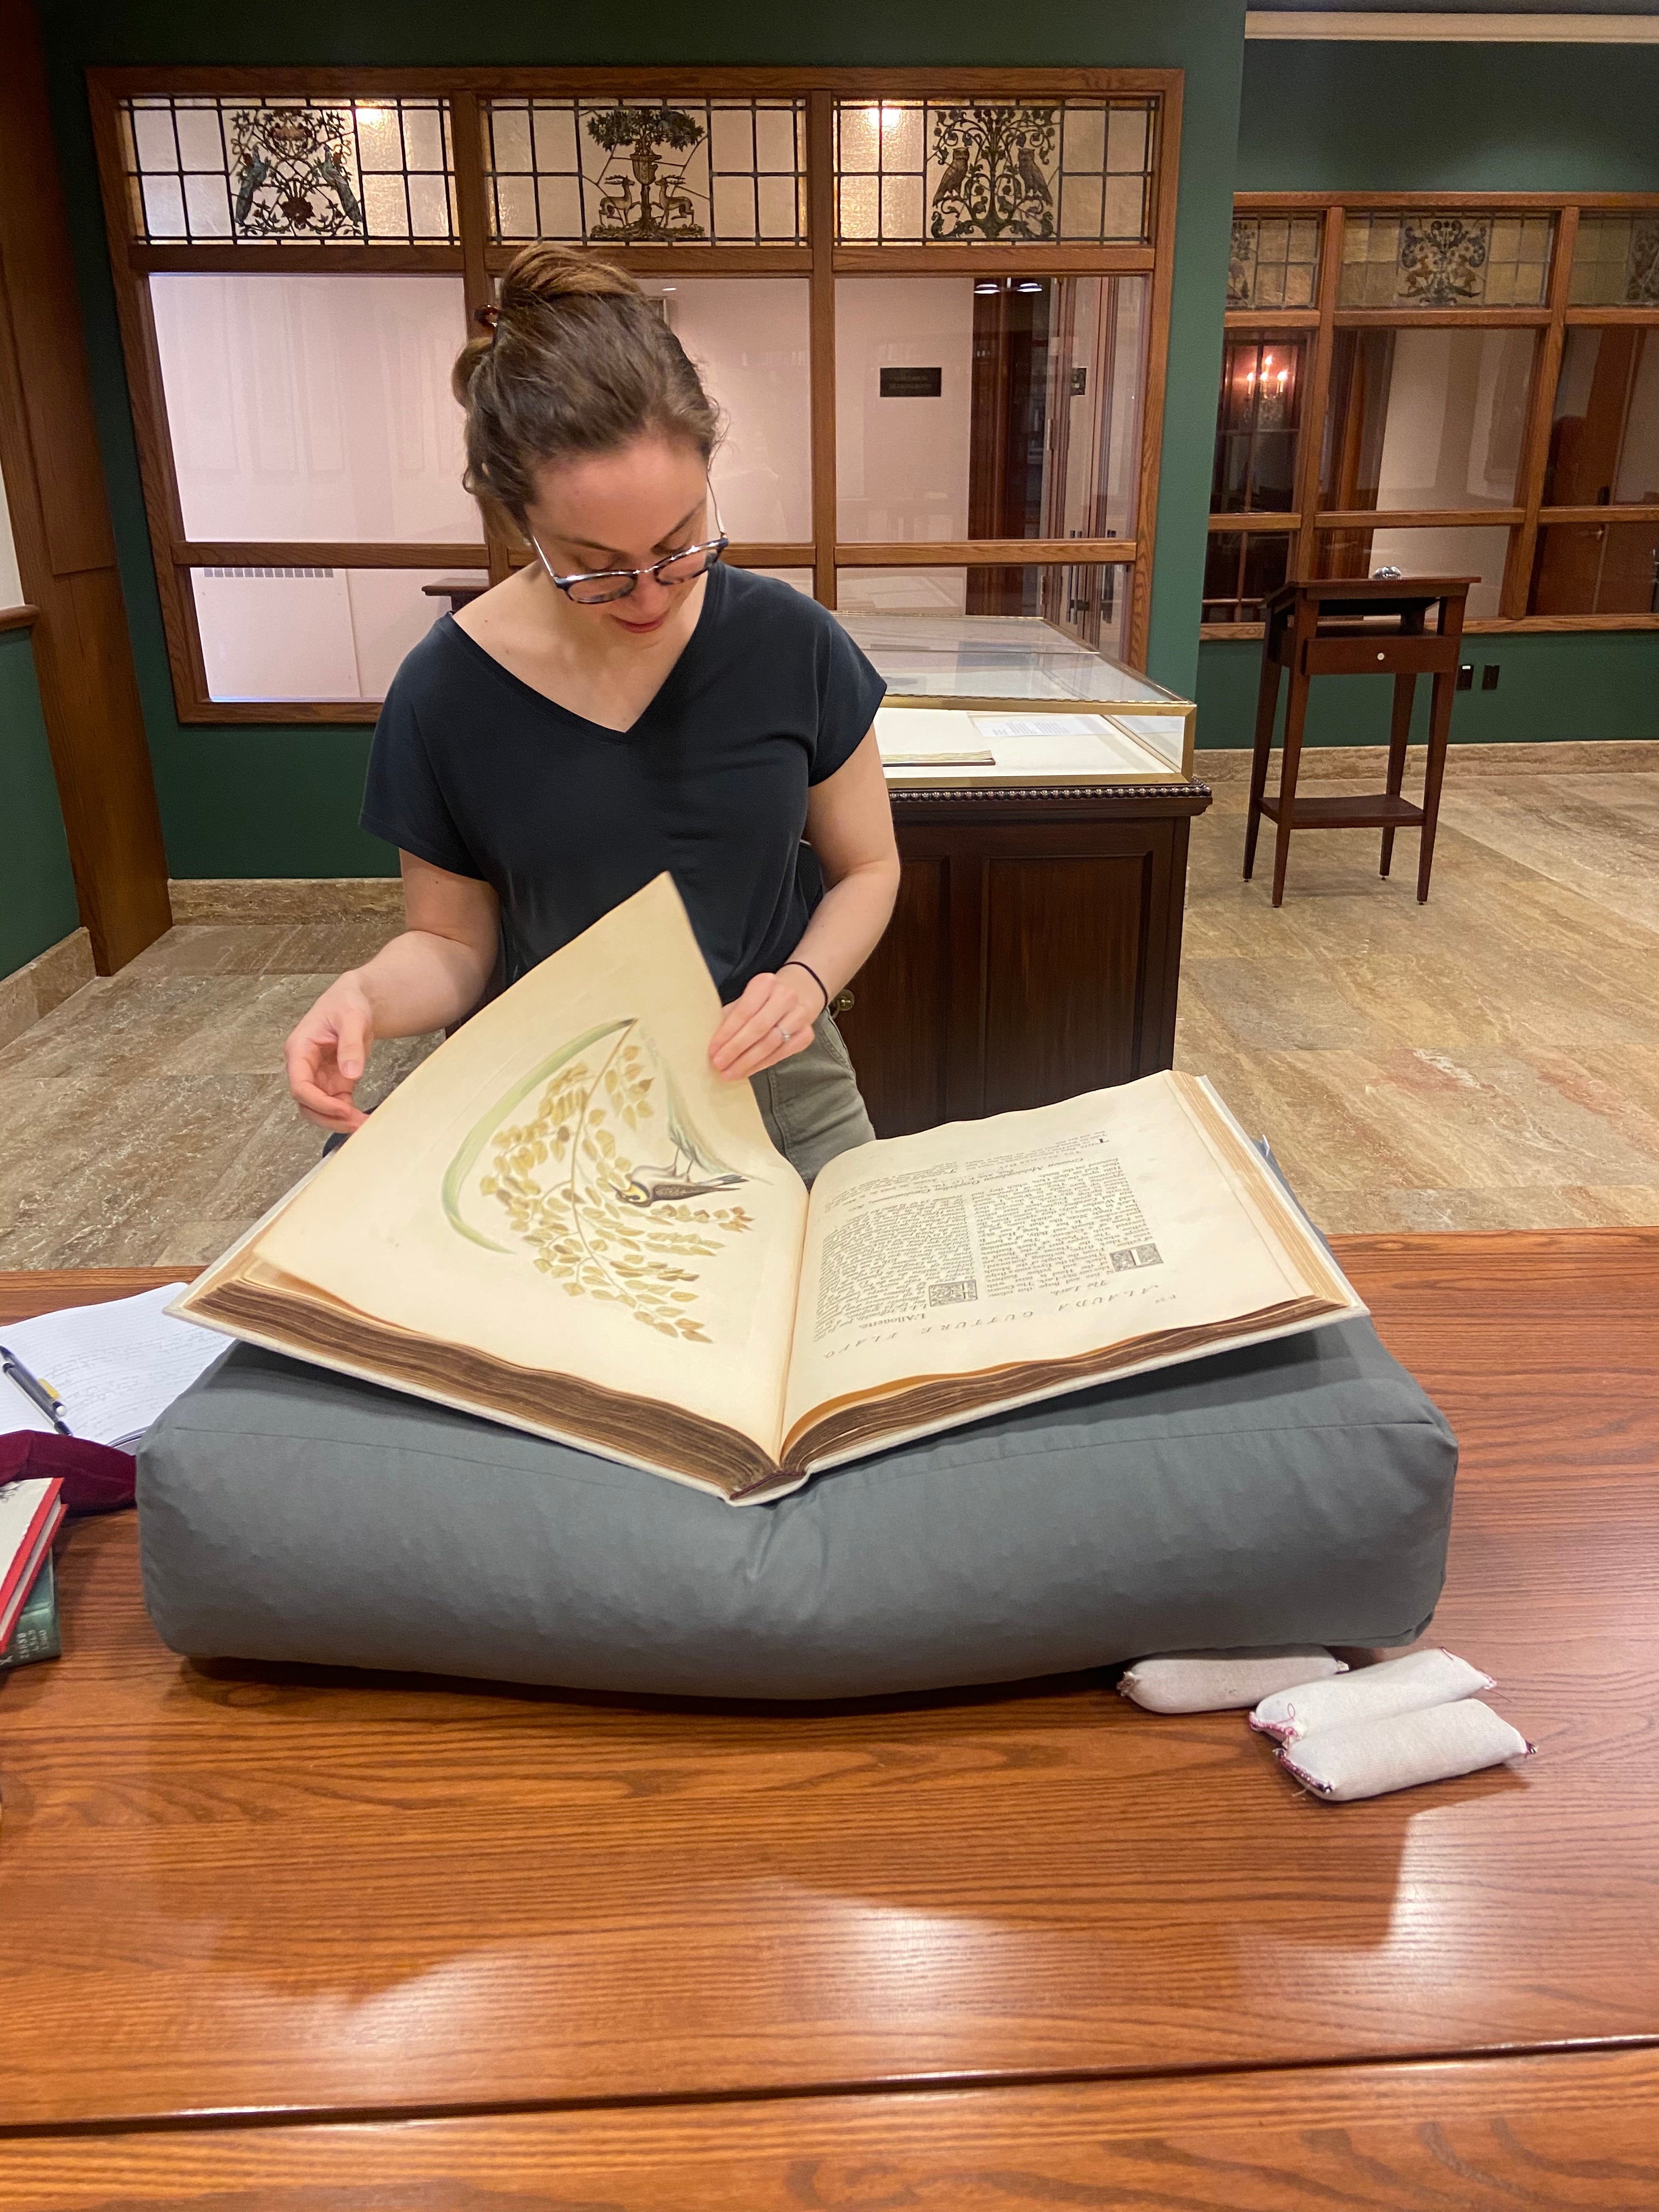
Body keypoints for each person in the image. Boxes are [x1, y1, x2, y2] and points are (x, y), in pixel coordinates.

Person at [284, 244, 899, 1184]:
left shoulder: (790, 643)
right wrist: (364, 994)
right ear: (513, 519)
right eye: (597, 564)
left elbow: (869, 866)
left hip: (778, 1084)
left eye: (681, 542)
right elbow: (453, 942)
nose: (650, 597)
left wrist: (806, 983)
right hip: (560, 1099)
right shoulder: (444, 694)